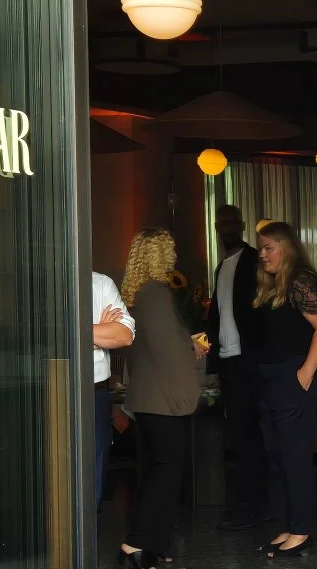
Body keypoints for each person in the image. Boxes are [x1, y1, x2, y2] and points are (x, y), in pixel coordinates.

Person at [118, 228, 202, 569]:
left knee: (157, 471)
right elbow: (169, 350)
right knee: (165, 474)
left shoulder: (139, 295)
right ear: (159, 255)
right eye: (170, 250)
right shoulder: (156, 294)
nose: (175, 257)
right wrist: (191, 345)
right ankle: (135, 545)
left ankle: (154, 543)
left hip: (149, 398)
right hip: (164, 400)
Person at [253, 221, 317, 560]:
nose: (262, 254)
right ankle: (288, 526)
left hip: (295, 377)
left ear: (285, 248)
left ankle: (300, 531)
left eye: (268, 247)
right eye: (261, 247)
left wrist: (305, 373)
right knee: (276, 456)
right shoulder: (273, 284)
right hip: (273, 379)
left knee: (294, 456)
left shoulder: (302, 280)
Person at [205, 204, 267, 531]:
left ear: (241, 225)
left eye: (231, 222)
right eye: (221, 222)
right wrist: (213, 363)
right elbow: (217, 316)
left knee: (252, 434)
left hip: (249, 361)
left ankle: (256, 503)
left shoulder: (254, 259)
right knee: (240, 434)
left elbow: (260, 312)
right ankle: (248, 501)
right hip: (230, 362)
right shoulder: (222, 266)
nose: (225, 227)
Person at [92, 272, 135, 510]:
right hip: (52, 387)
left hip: (95, 392)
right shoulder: (47, 283)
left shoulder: (101, 283)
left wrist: (77, 333)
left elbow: (125, 335)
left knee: (95, 473)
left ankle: (91, 542)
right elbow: (51, 335)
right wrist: (99, 331)